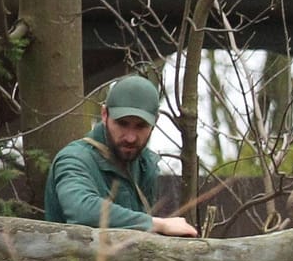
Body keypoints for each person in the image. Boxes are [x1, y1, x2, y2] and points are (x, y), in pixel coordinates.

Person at [43, 75, 198, 236]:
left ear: (154, 123)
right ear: (104, 115)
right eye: (122, 123)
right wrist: (156, 224)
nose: (130, 137)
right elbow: (81, 210)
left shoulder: (146, 165)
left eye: (140, 126)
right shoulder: (75, 159)